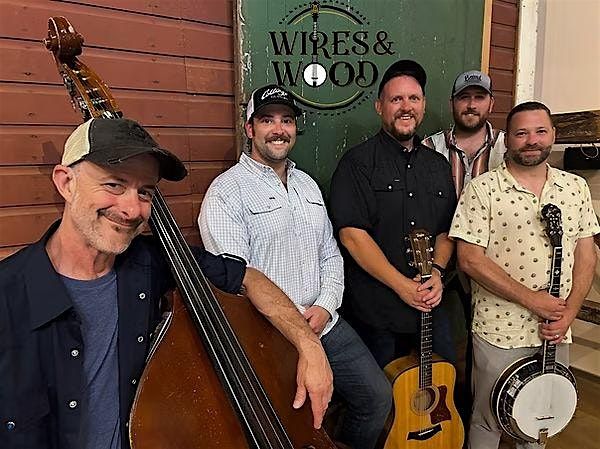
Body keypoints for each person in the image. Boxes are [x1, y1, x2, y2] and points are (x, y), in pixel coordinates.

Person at [0, 118, 333, 449]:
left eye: (145, 192)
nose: (132, 209)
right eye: (114, 185)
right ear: (66, 182)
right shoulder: (8, 295)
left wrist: (309, 346)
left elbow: (249, 278)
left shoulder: (153, 262)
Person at [198, 84, 392, 449]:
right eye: (267, 120)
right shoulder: (226, 192)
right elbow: (237, 282)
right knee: (295, 424)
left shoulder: (308, 186)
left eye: (286, 120)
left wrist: (325, 306)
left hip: (324, 322)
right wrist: (296, 325)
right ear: (249, 128)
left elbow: (330, 254)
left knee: (376, 398)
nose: (279, 129)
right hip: (269, 334)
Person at [449, 101, 599, 449]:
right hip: (499, 329)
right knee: (488, 418)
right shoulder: (482, 189)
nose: (532, 140)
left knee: (541, 417)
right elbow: (469, 260)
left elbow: (586, 254)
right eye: (521, 133)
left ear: (553, 135)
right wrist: (533, 300)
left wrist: (569, 313)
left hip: (556, 328)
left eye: (540, 131)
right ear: (508, 140)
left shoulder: (575, 187)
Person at [329, 60, 458, 369]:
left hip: (431, 307)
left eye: (413, 98)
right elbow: (352, 236)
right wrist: (403, 286)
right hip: (377, 314)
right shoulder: (357, 163)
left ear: (423, 106)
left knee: (445, 381)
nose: (406, 107)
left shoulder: (439, 166)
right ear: (379, 107)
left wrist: (437, 273)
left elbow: (447, 229)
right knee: (382, 395)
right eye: (396, 99)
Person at [422, 69, 506, 198]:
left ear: (491, 104)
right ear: (452, 104)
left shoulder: (507, 147)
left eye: (479, 97)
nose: (471, 105)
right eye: (464, 97)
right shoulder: (429, 147)